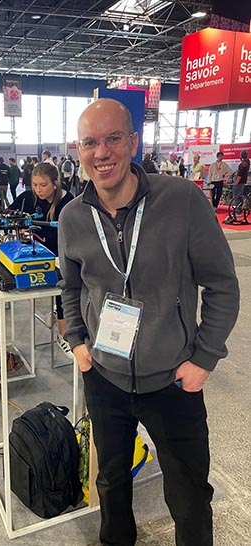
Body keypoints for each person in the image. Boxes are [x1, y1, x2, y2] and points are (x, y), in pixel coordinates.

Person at [58, 98, 239, 546]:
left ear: (133, 142)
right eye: (90, 142)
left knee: (189, 494)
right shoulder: (73, 217)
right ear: (77, 151)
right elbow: (71, 287)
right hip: (104, 376)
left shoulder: (180, 200)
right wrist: (79, 344)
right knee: (110, 486)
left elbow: (223, 285)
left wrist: (205, 357)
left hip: (174, 380)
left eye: (113, 138)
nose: (102, 152)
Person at [9, 161, 74, 357]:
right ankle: (56, 315)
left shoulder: (68, 202)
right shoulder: (29, 197)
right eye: (35, 184)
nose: (38, 190)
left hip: (61, 255)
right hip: (34, 253)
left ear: (55, 183)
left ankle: (63, 334)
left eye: (43, 185)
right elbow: (9, 213)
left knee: (64, 287)